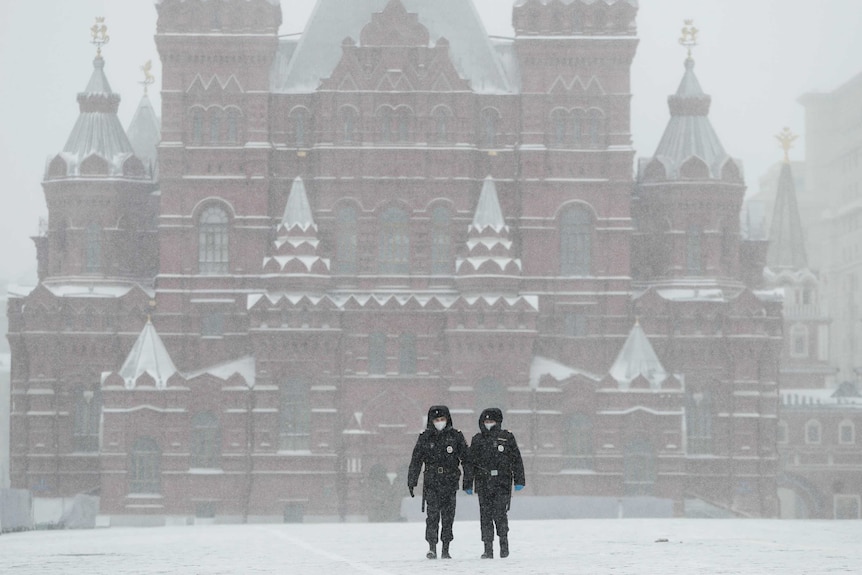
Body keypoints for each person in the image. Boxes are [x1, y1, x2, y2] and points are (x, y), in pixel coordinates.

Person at [407, 405, 468, 559]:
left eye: (442, 419)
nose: (439, 422)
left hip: (449, 482)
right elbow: (416, 460)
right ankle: (432, 546)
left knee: (448, 517)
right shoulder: (425, 437)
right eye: (436, 420)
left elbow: (466, 460)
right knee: (432, 516)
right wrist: (412, 480)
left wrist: (468, 480)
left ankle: (446, 548)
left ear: (447, 420)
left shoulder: (456, 436)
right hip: (432, 482)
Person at [463, 407, 525, 559]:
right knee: (485, 516)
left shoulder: (507, 437)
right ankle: (487, 548)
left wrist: (519, 480)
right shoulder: (477, 439)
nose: (488, 424)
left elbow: (516, 459)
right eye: (486, 421)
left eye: (491, 421)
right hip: (483, 483)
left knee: (500, 514)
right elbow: (470, 463)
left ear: (498, 422)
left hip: (501, 483)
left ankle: (504, 544)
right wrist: (468, 483)